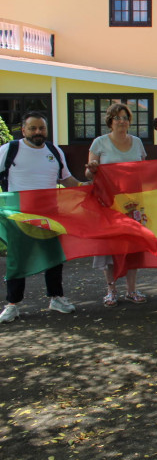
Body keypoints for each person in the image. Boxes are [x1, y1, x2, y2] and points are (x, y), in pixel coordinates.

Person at [0, 111, 83, 323]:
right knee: (18, 260)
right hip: (19, 217)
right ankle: (12, 305)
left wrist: (88, 188)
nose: (38, 132)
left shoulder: (54, 151)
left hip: (50, 216)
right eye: (33, 128)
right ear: (23, 129)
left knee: (54, 258)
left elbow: (66, 180)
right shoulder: (10, 149)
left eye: (42, 128)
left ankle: (56, 298)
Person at [85, 103, 149, 306]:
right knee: (110, 246)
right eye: (117, 118)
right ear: (110, 121)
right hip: (108, 204)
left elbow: (145, 170)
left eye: (125, 117)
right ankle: (111, 290)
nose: (122, 121)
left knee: (133, 246)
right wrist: (93, 169)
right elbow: (88, 174)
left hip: (133, 204)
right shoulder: (99, 143)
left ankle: (132, 290)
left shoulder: (138, 142)